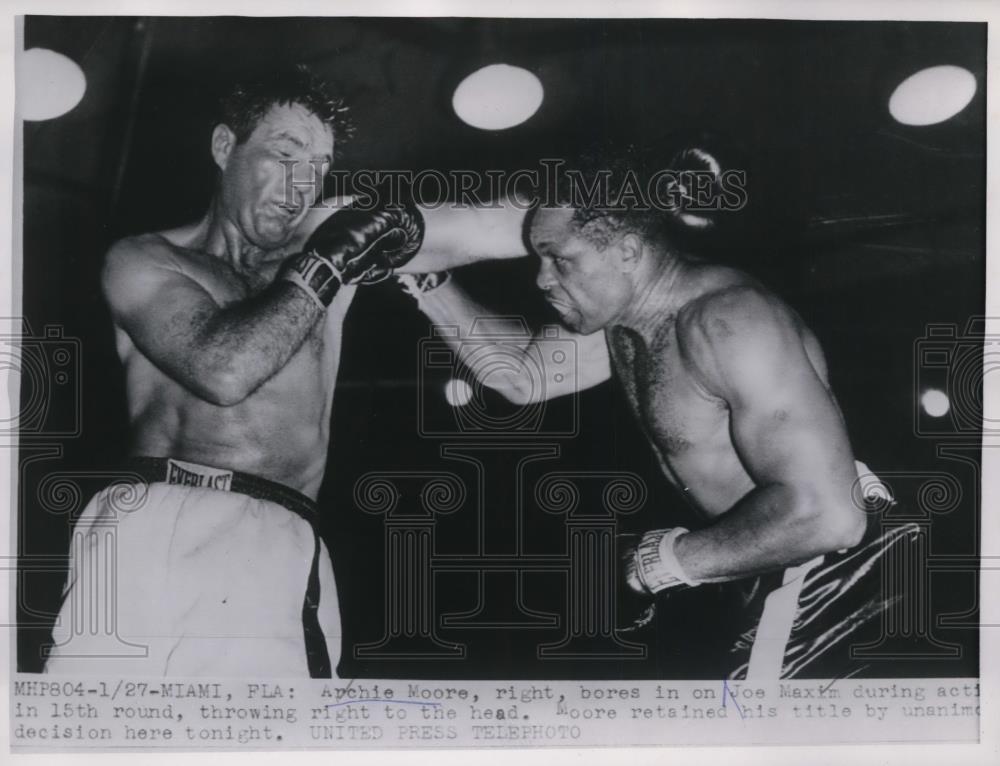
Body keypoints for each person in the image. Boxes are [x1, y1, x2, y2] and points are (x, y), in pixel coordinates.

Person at [42, 65, 516, 678]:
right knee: (92, 731)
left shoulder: (333, 230)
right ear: (224, 148)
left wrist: (648, 195)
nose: (302, 183)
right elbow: (222, 370)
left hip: (270, 529)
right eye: (284, 154)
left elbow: (495, 223)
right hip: (141, 518)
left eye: (319, 166)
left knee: (267, 735)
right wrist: (326, 266)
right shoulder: (144, 259)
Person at [398, 147, 918, 679]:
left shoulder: (726, 321)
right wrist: (426, 279)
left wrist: (659, 564)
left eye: (560, 258)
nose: (541, 280)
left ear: (626, 251)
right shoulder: (626, 323)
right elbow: (522, 376)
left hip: (840, 568)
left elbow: (828, 515)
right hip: (785, 563)